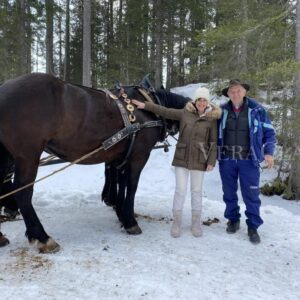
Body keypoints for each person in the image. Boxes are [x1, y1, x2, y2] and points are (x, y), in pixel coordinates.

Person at [132, 87, 221, 238]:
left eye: (204, 100)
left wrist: (211, 160)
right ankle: (177, 223)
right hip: (182, 158)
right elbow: (165, 111)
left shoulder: (211, 119)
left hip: (200, 159)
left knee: (197, 192)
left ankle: (195, 223)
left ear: (207, 102)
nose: (201, 102)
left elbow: (213, 141)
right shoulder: (185, 113)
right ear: (195, 101)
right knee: (180, 191)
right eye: (199, 99)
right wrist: (145, 105)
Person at [218, 79, 276, 244]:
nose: (235, 94)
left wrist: (268, 152)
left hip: (249, 159)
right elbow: (210, 131)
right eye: (232, 91)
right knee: (228, 192)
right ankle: (233, 219)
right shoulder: (221, 111)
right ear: (228, 94)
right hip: (227, 158)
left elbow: (269, 133)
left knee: (251, 194)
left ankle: (253, 226)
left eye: (238, 90)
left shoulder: (257, 110)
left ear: (244, 92)